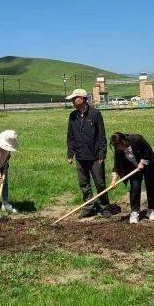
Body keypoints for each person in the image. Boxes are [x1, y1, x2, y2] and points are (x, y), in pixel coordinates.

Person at [65, 88, 114, 218]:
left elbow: (101, 136)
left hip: (95, 157)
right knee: (84, 183)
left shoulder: (95, 114)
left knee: (100, 183)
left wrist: (102, 154)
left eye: (74, 98)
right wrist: (70, 154)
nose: (72, 100)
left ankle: (104, 207)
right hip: (80, 156)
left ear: (82, 98)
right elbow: (71, 137)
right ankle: (89, 207)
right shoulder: (72, 116)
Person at [110, 132, 154, 224]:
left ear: (123, 141)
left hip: (149, 163)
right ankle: (135, 212)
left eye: (119, 145)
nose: (118, 148)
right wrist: (114, 179)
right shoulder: (118, 149)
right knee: (135, 187)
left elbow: (148, 151)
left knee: (151, 186)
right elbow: (117, 164)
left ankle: (151, 210)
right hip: (134, 167)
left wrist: (142, 162)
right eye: (116, 146)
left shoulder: (136, 139)